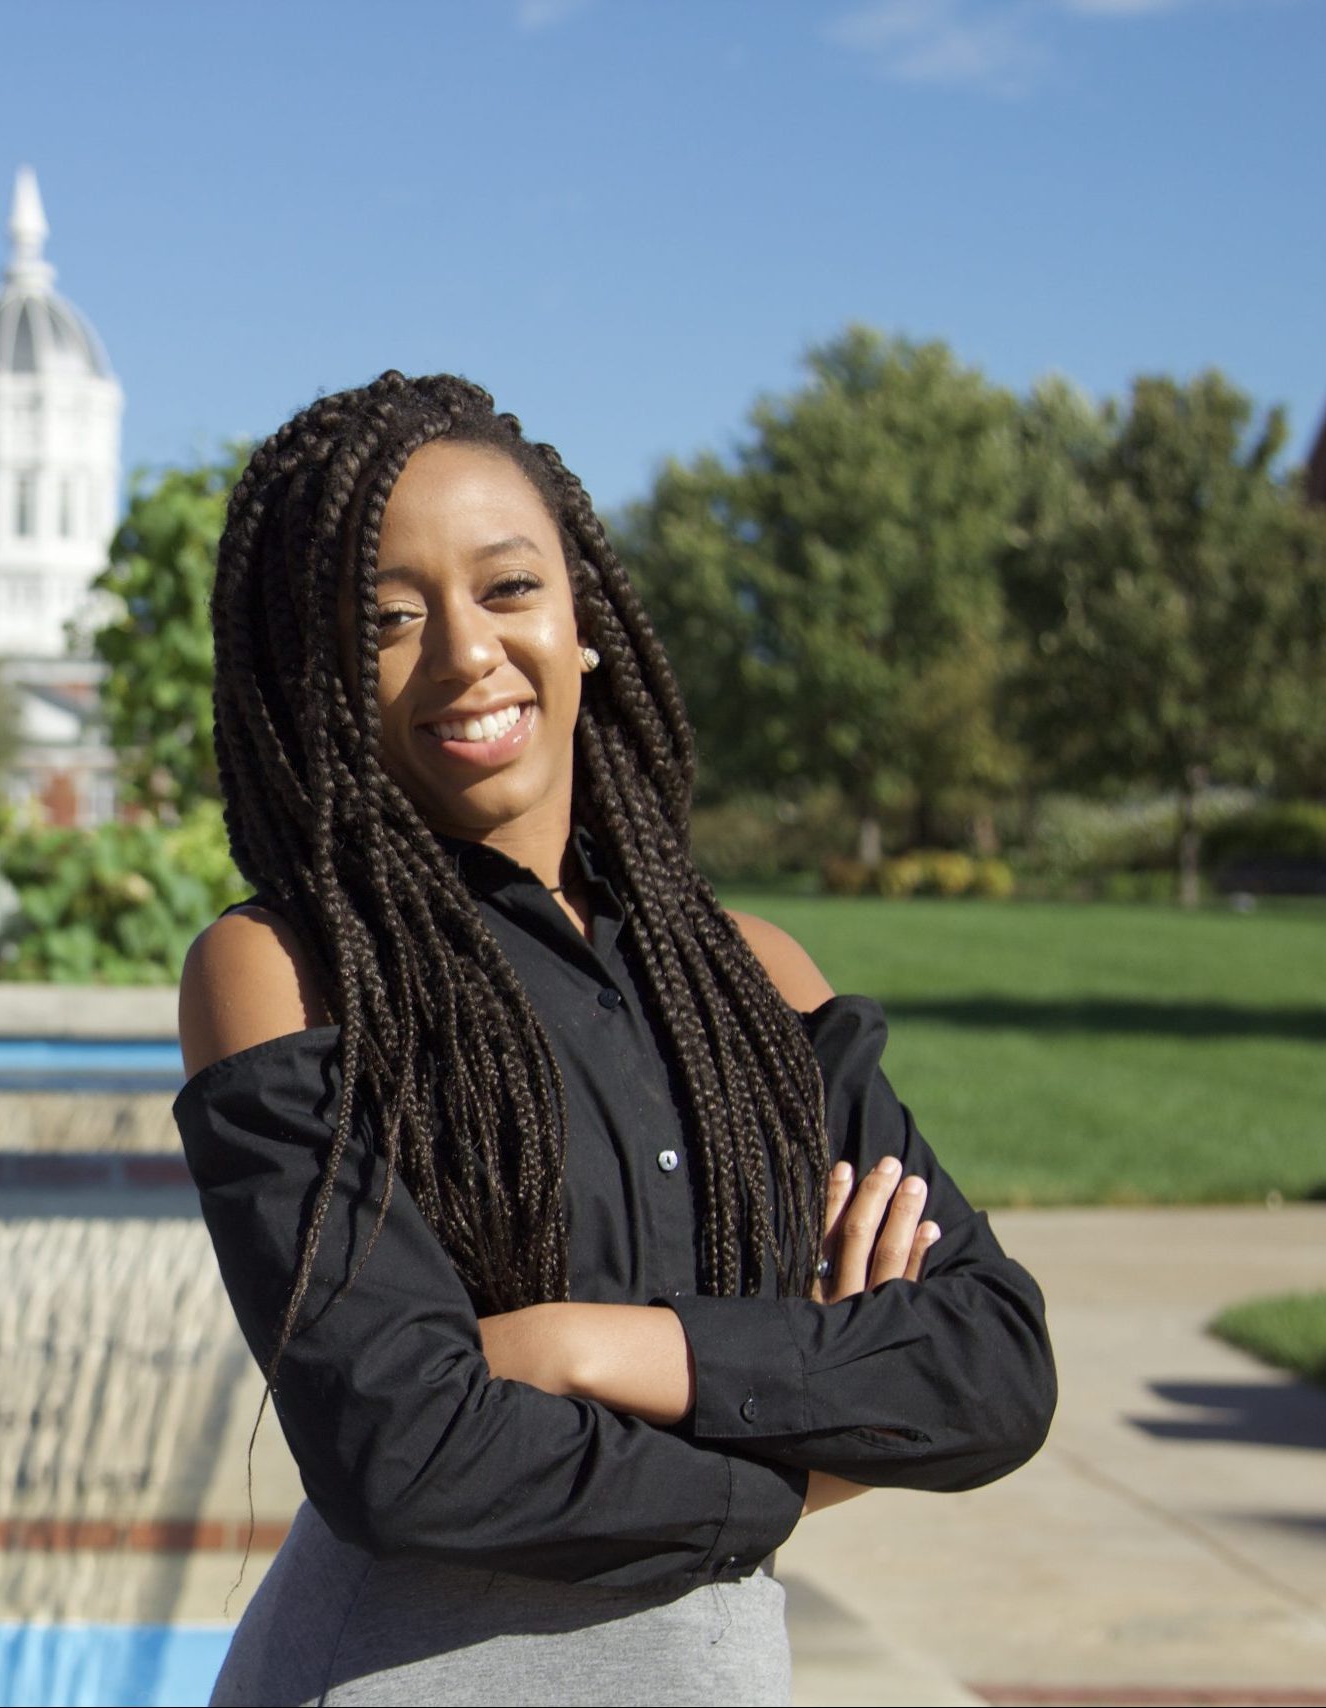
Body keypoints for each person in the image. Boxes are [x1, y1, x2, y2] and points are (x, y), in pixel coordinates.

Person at [172, 372, 1056, 1707]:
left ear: (584, 616)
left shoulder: (755, 980)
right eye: (388, 621)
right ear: (316, 678)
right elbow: (405, 1457)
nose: (467, 652)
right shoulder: (283, 971)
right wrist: (821, 1423)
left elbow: (990, 1367)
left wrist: (589, 1348)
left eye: (509, 588)